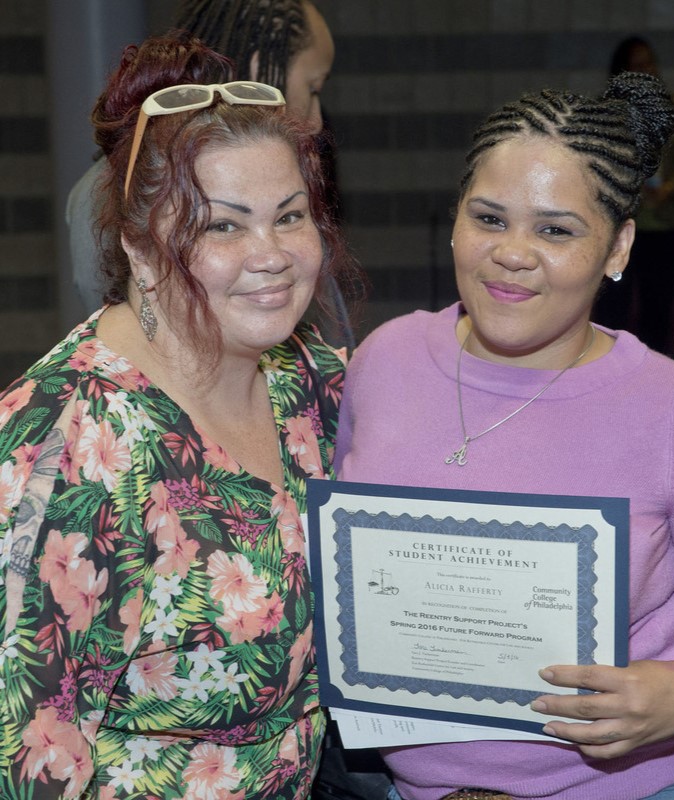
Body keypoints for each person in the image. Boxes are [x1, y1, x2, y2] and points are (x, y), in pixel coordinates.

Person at [333, 71, 674, 799]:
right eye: (489, 218)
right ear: (455, 220)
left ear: (617, 249)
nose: (513, 252)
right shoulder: (383, 361)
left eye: (556, 229)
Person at [0, 30, 359, 798]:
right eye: (222, 225)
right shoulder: (69, 446)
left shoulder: (319, 389)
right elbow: (25, 758)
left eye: (290, 216)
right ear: (138, 249)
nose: (271, 254)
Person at [66, 0, 356, 351]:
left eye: (289, 217)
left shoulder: (312, 373)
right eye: (313, 88)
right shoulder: (119, 186)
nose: (316, 121)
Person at [592, 35, 674, 354]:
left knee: (658, 307)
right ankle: (606, 373)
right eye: (638, 66)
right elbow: (595, 165)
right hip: (621, 224)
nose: (647, 70)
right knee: (611, 307)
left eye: (650, 63)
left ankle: (653, 378)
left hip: (667, 222)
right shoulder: (607, 112)